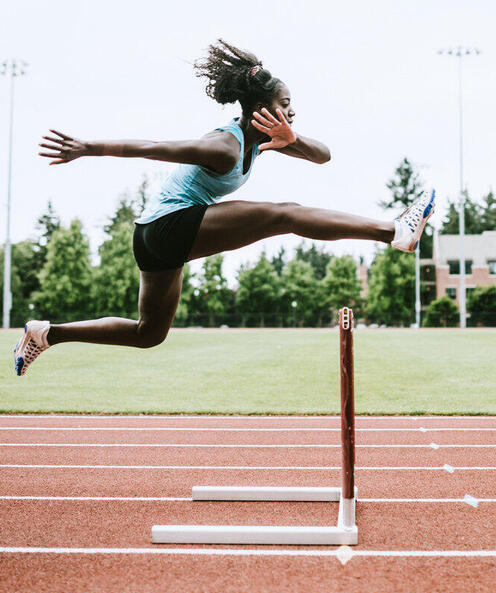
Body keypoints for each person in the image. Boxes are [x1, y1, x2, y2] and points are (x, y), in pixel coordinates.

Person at [14, 39, 435, 376]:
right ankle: (394, 231)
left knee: (148, 334)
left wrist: (292, 139)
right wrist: (89, 147)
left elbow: (323, 156)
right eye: (286, 104)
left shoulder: (262, 141)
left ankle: (46, 333)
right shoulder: (227, 145)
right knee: (284, 213)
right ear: (260, 108)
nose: (292, 111)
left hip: (154, 238)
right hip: (167, 226)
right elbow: (157, 147)